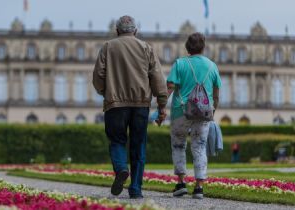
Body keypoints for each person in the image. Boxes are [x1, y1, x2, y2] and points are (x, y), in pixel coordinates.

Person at [93, 15, 168, 199]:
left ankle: (120, 169)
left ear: (117, 31)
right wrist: (162, 105)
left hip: (115, 104)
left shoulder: (108, 47)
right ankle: (135, 188)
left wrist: (107, 92)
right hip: (140, 104)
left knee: (117, 140)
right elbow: (157, 78)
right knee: (138, 144)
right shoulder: (146, 48)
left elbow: (98, 76)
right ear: (135, 31)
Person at [166, 33, 221, 199]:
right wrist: (213, 111)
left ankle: (181, 183)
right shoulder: (212, 66)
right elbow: (217, 94)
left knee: (178, 145)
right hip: (204, 113)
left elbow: (169, 87)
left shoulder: (180, 63)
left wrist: (161, 107)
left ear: (187, 48)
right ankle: (199, 187)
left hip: (180, 111)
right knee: (199, 147)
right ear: (203, 47)